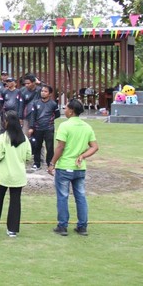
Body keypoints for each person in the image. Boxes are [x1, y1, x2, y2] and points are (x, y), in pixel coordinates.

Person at [48, 99, 99, 236]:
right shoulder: (87, 127)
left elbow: (60, 147)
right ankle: (82, 226)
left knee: (63, 197)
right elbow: (94, 147)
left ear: (71, 111)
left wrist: (52, 163)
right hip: (80, 168)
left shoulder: (65, 126)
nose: (64, 110)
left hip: (64, 167)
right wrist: (83, 156)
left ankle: (62, 226)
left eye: (66, 108)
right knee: (81, 197)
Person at [0, 111, 31, 238]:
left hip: (3, 175)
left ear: (7, 122)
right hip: (18, 176)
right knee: (15, 202)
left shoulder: (2, 138)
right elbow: (28, 156)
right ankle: (12, 229)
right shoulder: (24, 138)